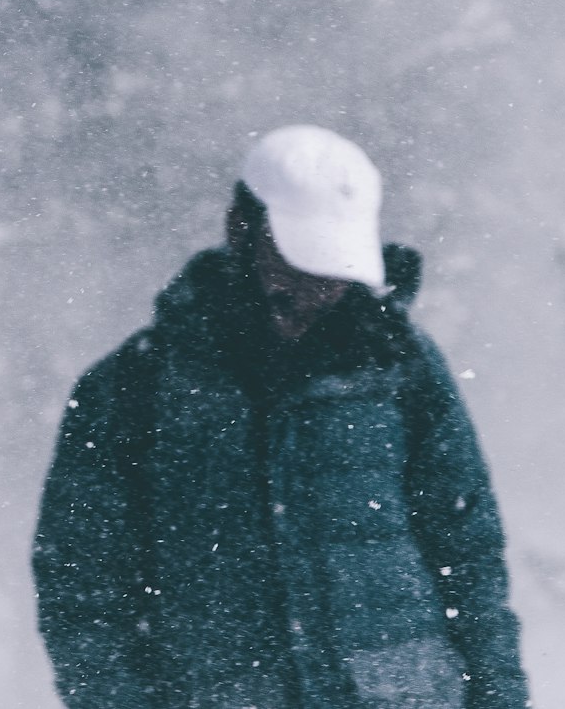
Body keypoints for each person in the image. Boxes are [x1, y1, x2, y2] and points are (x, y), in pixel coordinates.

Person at [33, 125, 531, 709]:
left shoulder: (400, 366)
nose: (318, 290)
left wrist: (499, 695)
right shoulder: (131, 388)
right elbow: (82, 590)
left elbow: (468, 549)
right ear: (241, 230)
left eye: (334, 268)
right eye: (298, 264)